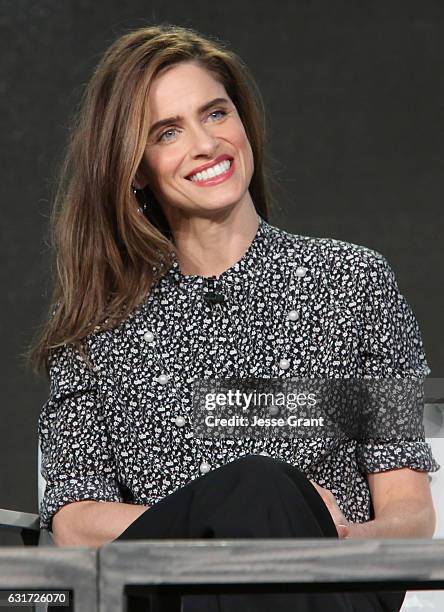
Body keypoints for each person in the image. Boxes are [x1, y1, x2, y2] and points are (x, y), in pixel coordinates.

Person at [26, 23, 439, 612]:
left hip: (330, 582)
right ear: (137, 167)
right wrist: (234, 519)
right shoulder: (96, 327)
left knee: (267, 495)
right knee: (259, 487)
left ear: (242, 123)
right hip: (167, 591)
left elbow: (410, 510)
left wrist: (341, 535)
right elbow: (76, 522)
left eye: (215, 114)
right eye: (168, 132)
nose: (205, 144)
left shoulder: (356, 280)